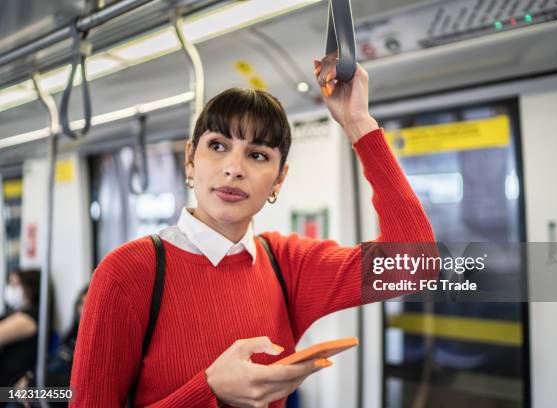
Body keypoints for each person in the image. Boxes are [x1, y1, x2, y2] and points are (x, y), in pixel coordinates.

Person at [70, 58, 436, 407]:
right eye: (218, 146)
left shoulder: (286, 265)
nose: (233, 168)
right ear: (190, 159)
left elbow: (415, 262)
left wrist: (357, 122)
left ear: (279, 180)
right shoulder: (128, 273)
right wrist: (209, 390)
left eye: (257, 155)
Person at [0, 270, 44, 386]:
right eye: (10, 284)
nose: (11, 289)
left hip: (11, 385)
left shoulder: (32, 315)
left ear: (31, 287)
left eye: (16, 284)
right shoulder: (13, 312)